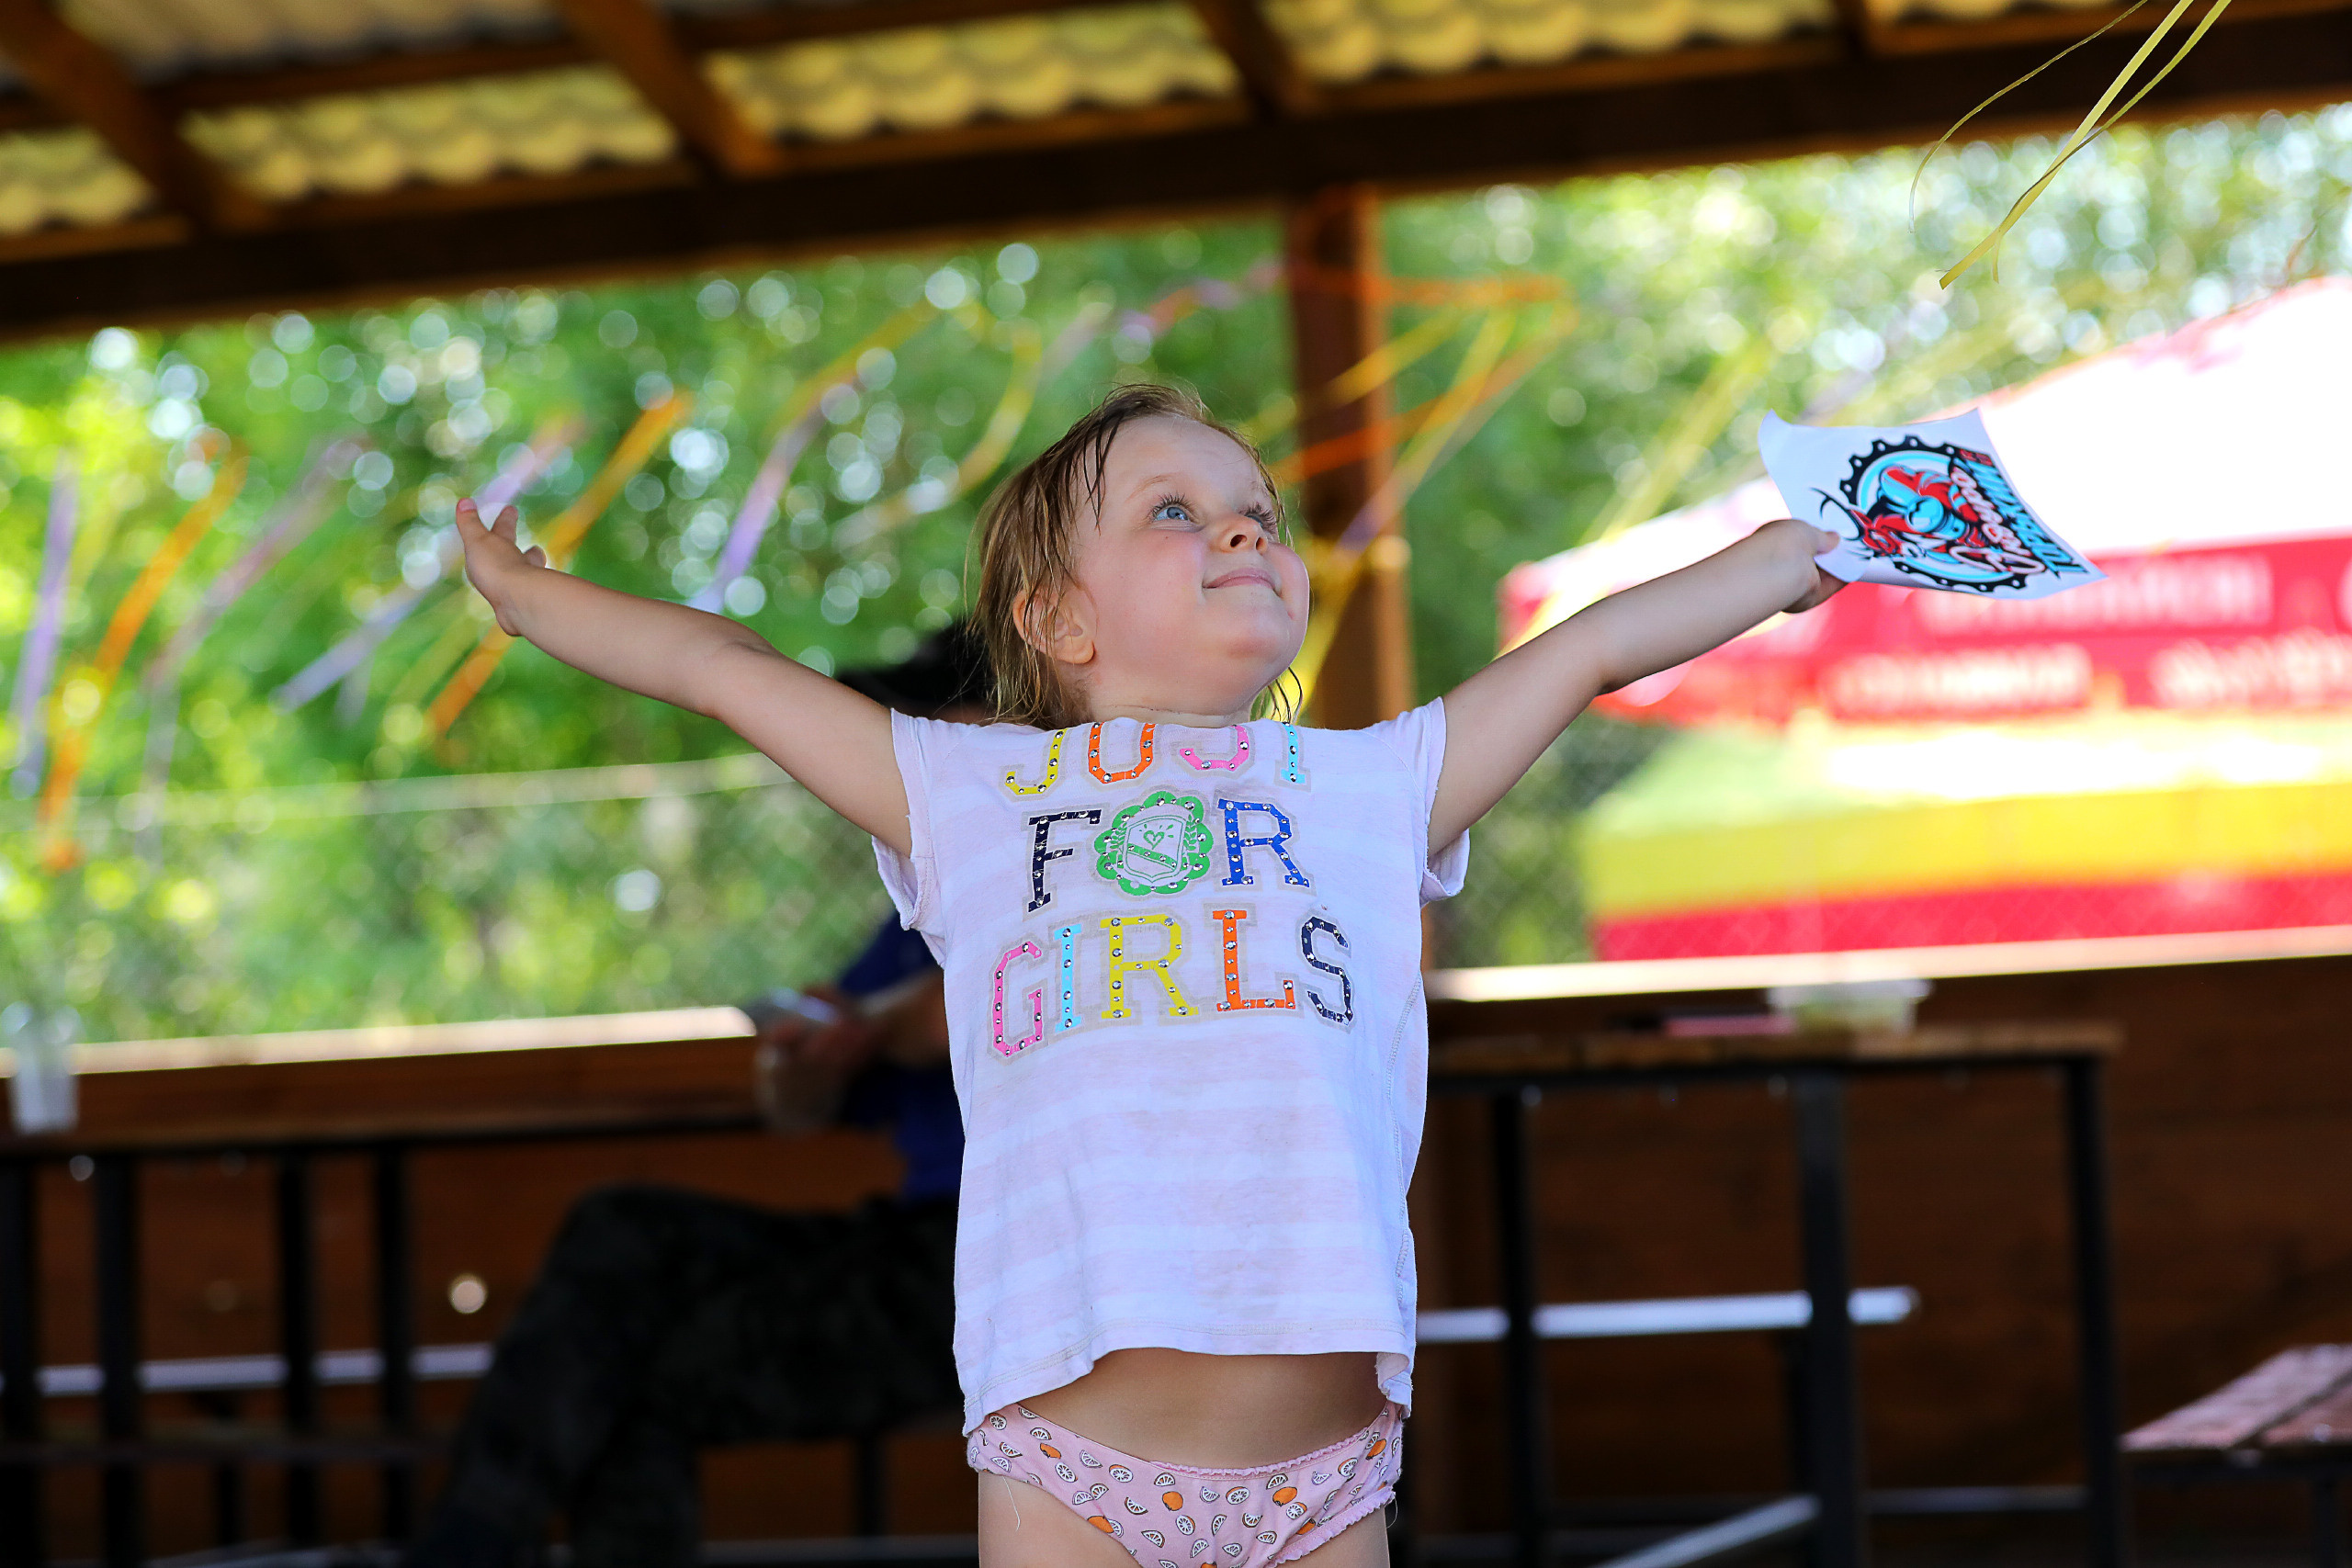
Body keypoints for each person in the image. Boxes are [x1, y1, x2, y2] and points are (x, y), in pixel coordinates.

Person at [458, 382, 1842, 1567]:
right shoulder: (972, 794)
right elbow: (722, 668)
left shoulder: (1372, 782)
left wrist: (1796, 553)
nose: (1243, 526)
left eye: (1258, 513)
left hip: (1328, 1480)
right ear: (1056, 618)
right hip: (1075, 1471)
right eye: (1174, 512)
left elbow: (1590, 645)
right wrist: (530, 596)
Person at [403, 630, 989, 1568]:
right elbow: (794, 1110)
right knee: (623, 1229)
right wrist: (808, 1057)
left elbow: (963, 1006)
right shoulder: (918, 898)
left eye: (929, 731)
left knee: (625, 1376)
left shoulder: (1072, 872)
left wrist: (869, 1025)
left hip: (1000, 1271)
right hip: (911, 1238)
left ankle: (462, 1554)